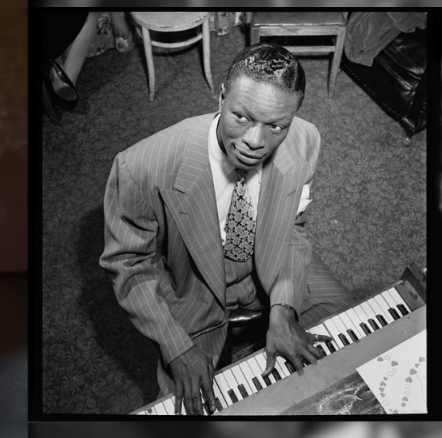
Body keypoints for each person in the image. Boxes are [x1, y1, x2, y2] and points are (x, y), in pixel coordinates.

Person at [100, 43, 355, 416]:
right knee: (182, 413)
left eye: (276, 126)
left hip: (273, 265)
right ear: (221, 97)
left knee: (355, 332)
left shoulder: (305, 140)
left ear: (293, 117)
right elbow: (128, 265)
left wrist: (284, 308)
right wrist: (178, 349)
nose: (255, 141)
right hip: (194, 291)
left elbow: (294, 228)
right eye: (242, 117)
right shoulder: (139, 167)